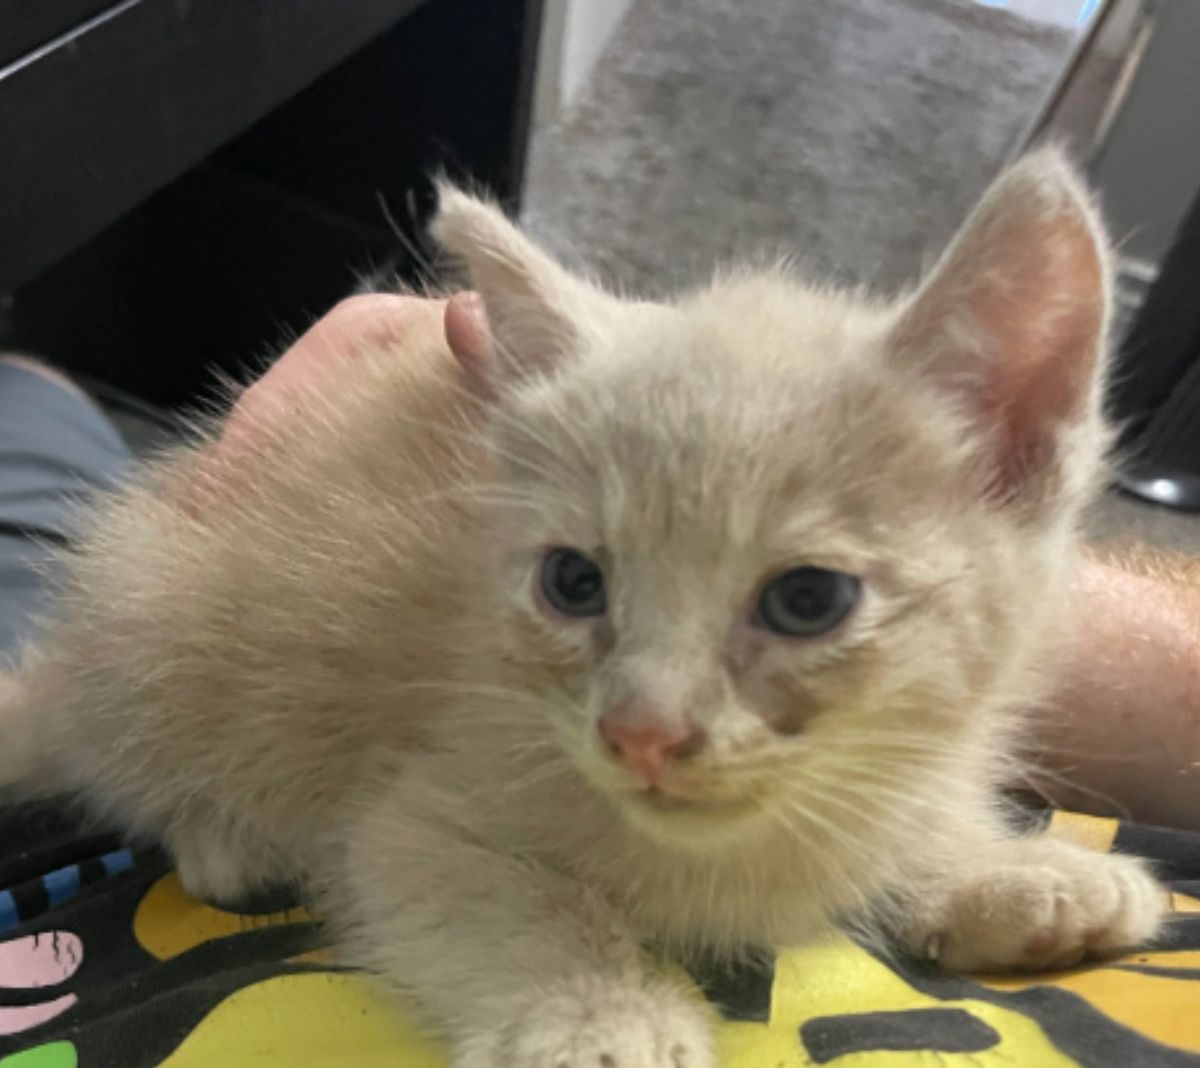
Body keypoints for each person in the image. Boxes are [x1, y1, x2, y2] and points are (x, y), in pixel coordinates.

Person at [0, 295, 1197, 833]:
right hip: (156, 691)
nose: (649, 724)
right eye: (579, 588)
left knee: (35, 463)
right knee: (65, 527)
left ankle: (34, 391)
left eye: (805, 596)